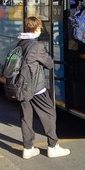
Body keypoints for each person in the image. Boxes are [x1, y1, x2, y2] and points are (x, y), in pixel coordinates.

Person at [18, 16, 70, 160]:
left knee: (26, 117)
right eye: (40, 27)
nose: (41, 30)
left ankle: (28, 148)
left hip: (21, 87)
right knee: (49, 114)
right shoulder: (37, 46)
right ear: (35, 28)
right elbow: (49, 64)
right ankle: (53, 146)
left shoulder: (21, 42)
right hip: (35, 88)